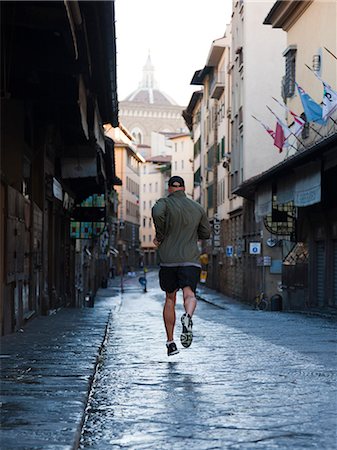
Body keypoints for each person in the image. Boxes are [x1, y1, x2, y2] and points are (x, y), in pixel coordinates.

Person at [152, 176, 211, 356]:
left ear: (169, 188)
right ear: (184, 188)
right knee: (189, 294)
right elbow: (206, 233)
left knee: (170, 298)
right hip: (190, 258)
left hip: (168, 258)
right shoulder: (197, 208)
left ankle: (170, 342)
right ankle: (188, 316)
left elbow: (156, 212)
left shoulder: (164, 203)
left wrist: (161, 235)